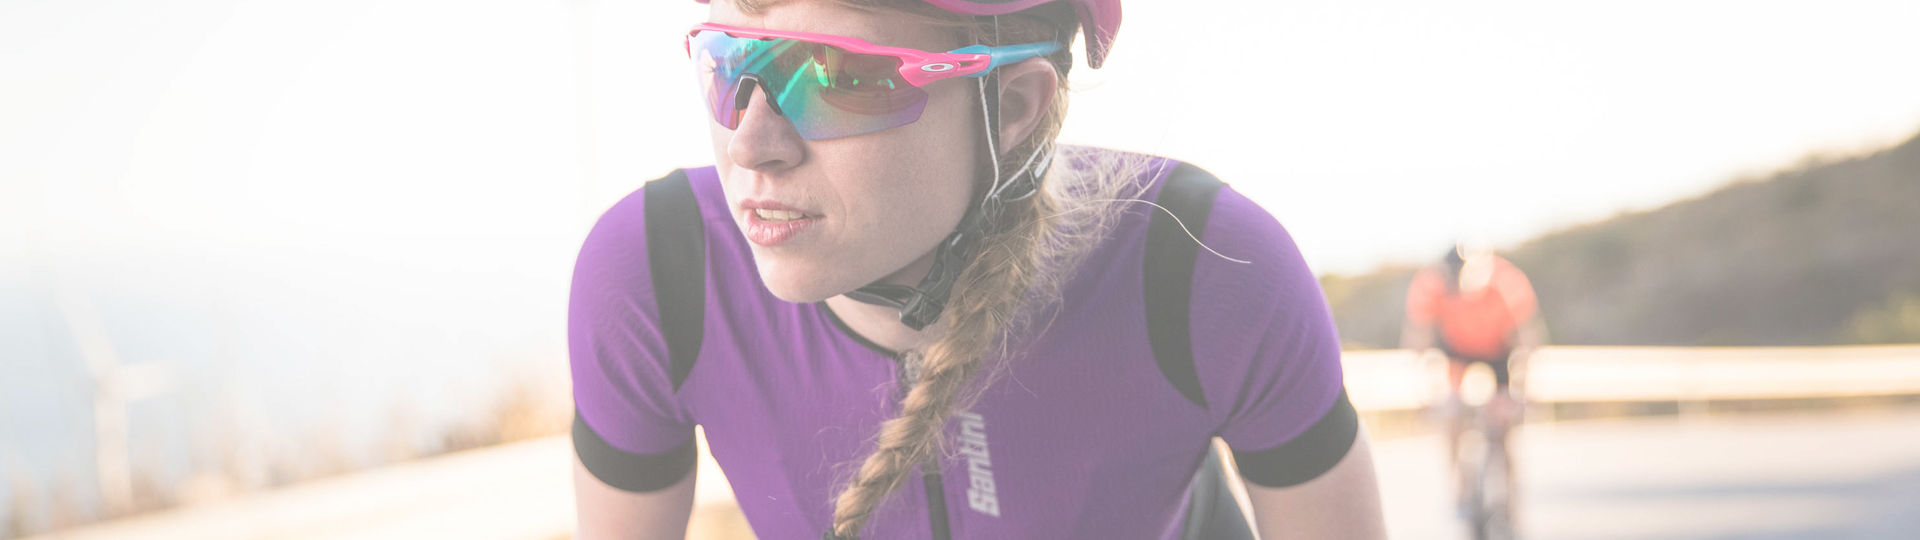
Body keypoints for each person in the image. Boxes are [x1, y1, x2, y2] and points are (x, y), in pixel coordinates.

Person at [569, 0, 1388, 538]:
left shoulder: (1205, 270)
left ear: (1016, 107)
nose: (749, 144)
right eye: (726, 62)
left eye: (837, 76)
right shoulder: (656, 276)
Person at [1401, 244, 1543, 523]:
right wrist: (1425, 392)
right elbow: (1419, 343)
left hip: (1499, 352)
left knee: (1503, 426)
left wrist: (1522, 392)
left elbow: (1526, 343)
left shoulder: (1506, 282)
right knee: (1451, 411)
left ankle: (1510, 501)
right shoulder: (1431, 285)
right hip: (1458, 352)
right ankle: (1461, 486)